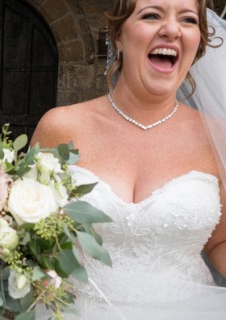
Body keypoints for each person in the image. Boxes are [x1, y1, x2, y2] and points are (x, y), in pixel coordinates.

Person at [32, 0, 226, 319]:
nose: (171, 30)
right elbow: (26, 238)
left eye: (188, 20)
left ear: (199, 42)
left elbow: (220, 242)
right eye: (151, 15)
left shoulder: (218, 137)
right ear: (118, 35)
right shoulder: (59, 128)